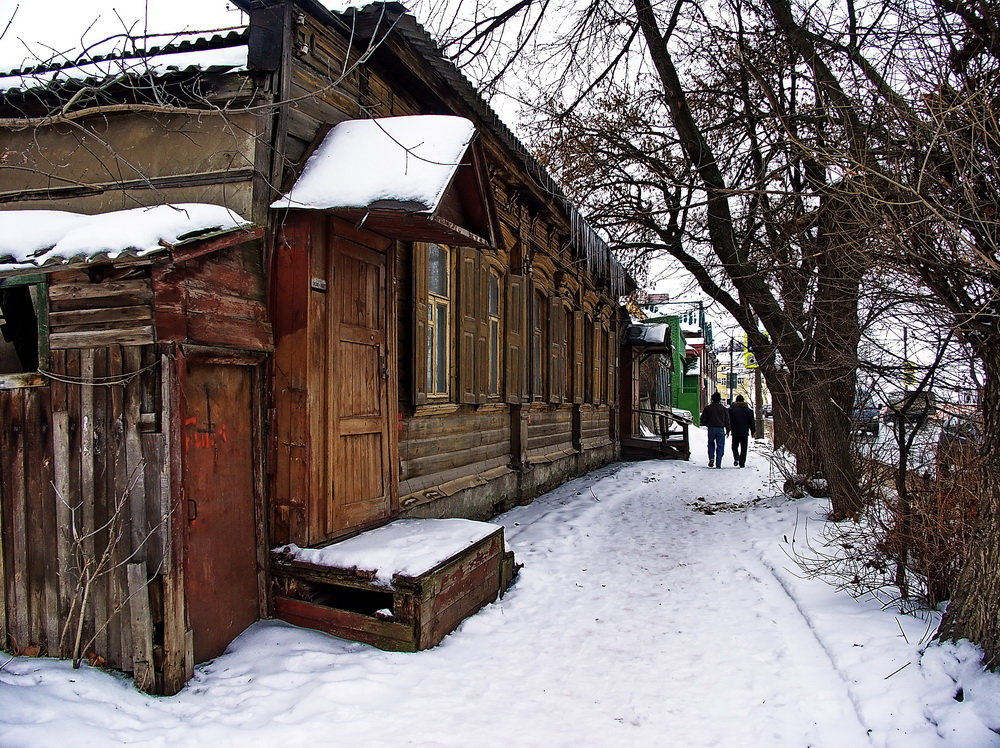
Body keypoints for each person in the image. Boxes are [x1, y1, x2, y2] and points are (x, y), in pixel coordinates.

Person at [700, 391, 730, 468]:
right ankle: (718, 463)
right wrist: (728, 429)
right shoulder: (723, 409)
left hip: (711, 429)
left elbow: (703, 420)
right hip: (720, 429)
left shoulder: (707, 408)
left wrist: (707, 424)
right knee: (720, 446)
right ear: (720, 400)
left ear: (712, 399)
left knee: (710, 444)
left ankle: (711, 458)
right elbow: (727, 420)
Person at [729, 394, 756, 467]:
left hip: (735, 432)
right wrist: (753, 431)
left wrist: (729, 429)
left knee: (734, 446)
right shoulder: (749, 411)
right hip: (744, 432)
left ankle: (736, 458)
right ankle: (742, 463)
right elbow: (751, 422)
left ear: (736, 401)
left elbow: (729, 421)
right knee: (744, 448)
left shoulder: (732, 410)